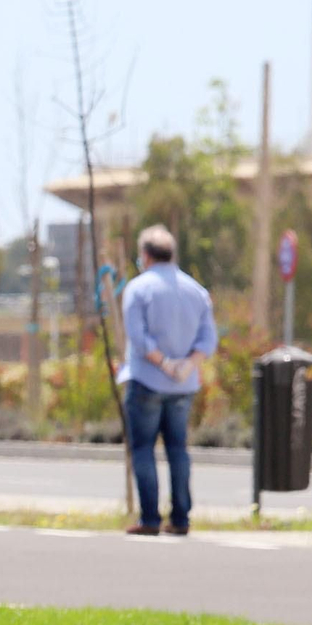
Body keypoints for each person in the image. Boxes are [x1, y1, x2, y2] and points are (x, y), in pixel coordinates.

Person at [117, 224, 218, 537]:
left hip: (147, 380)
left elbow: (137, 337)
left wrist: (164, 362)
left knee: (144, 448)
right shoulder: (196, 291)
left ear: (145, 255)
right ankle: (181, 518)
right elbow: (208, 338)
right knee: (178, 449)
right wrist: (186, 366)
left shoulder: (139, 288)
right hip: (183, 385)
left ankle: (150, 519)